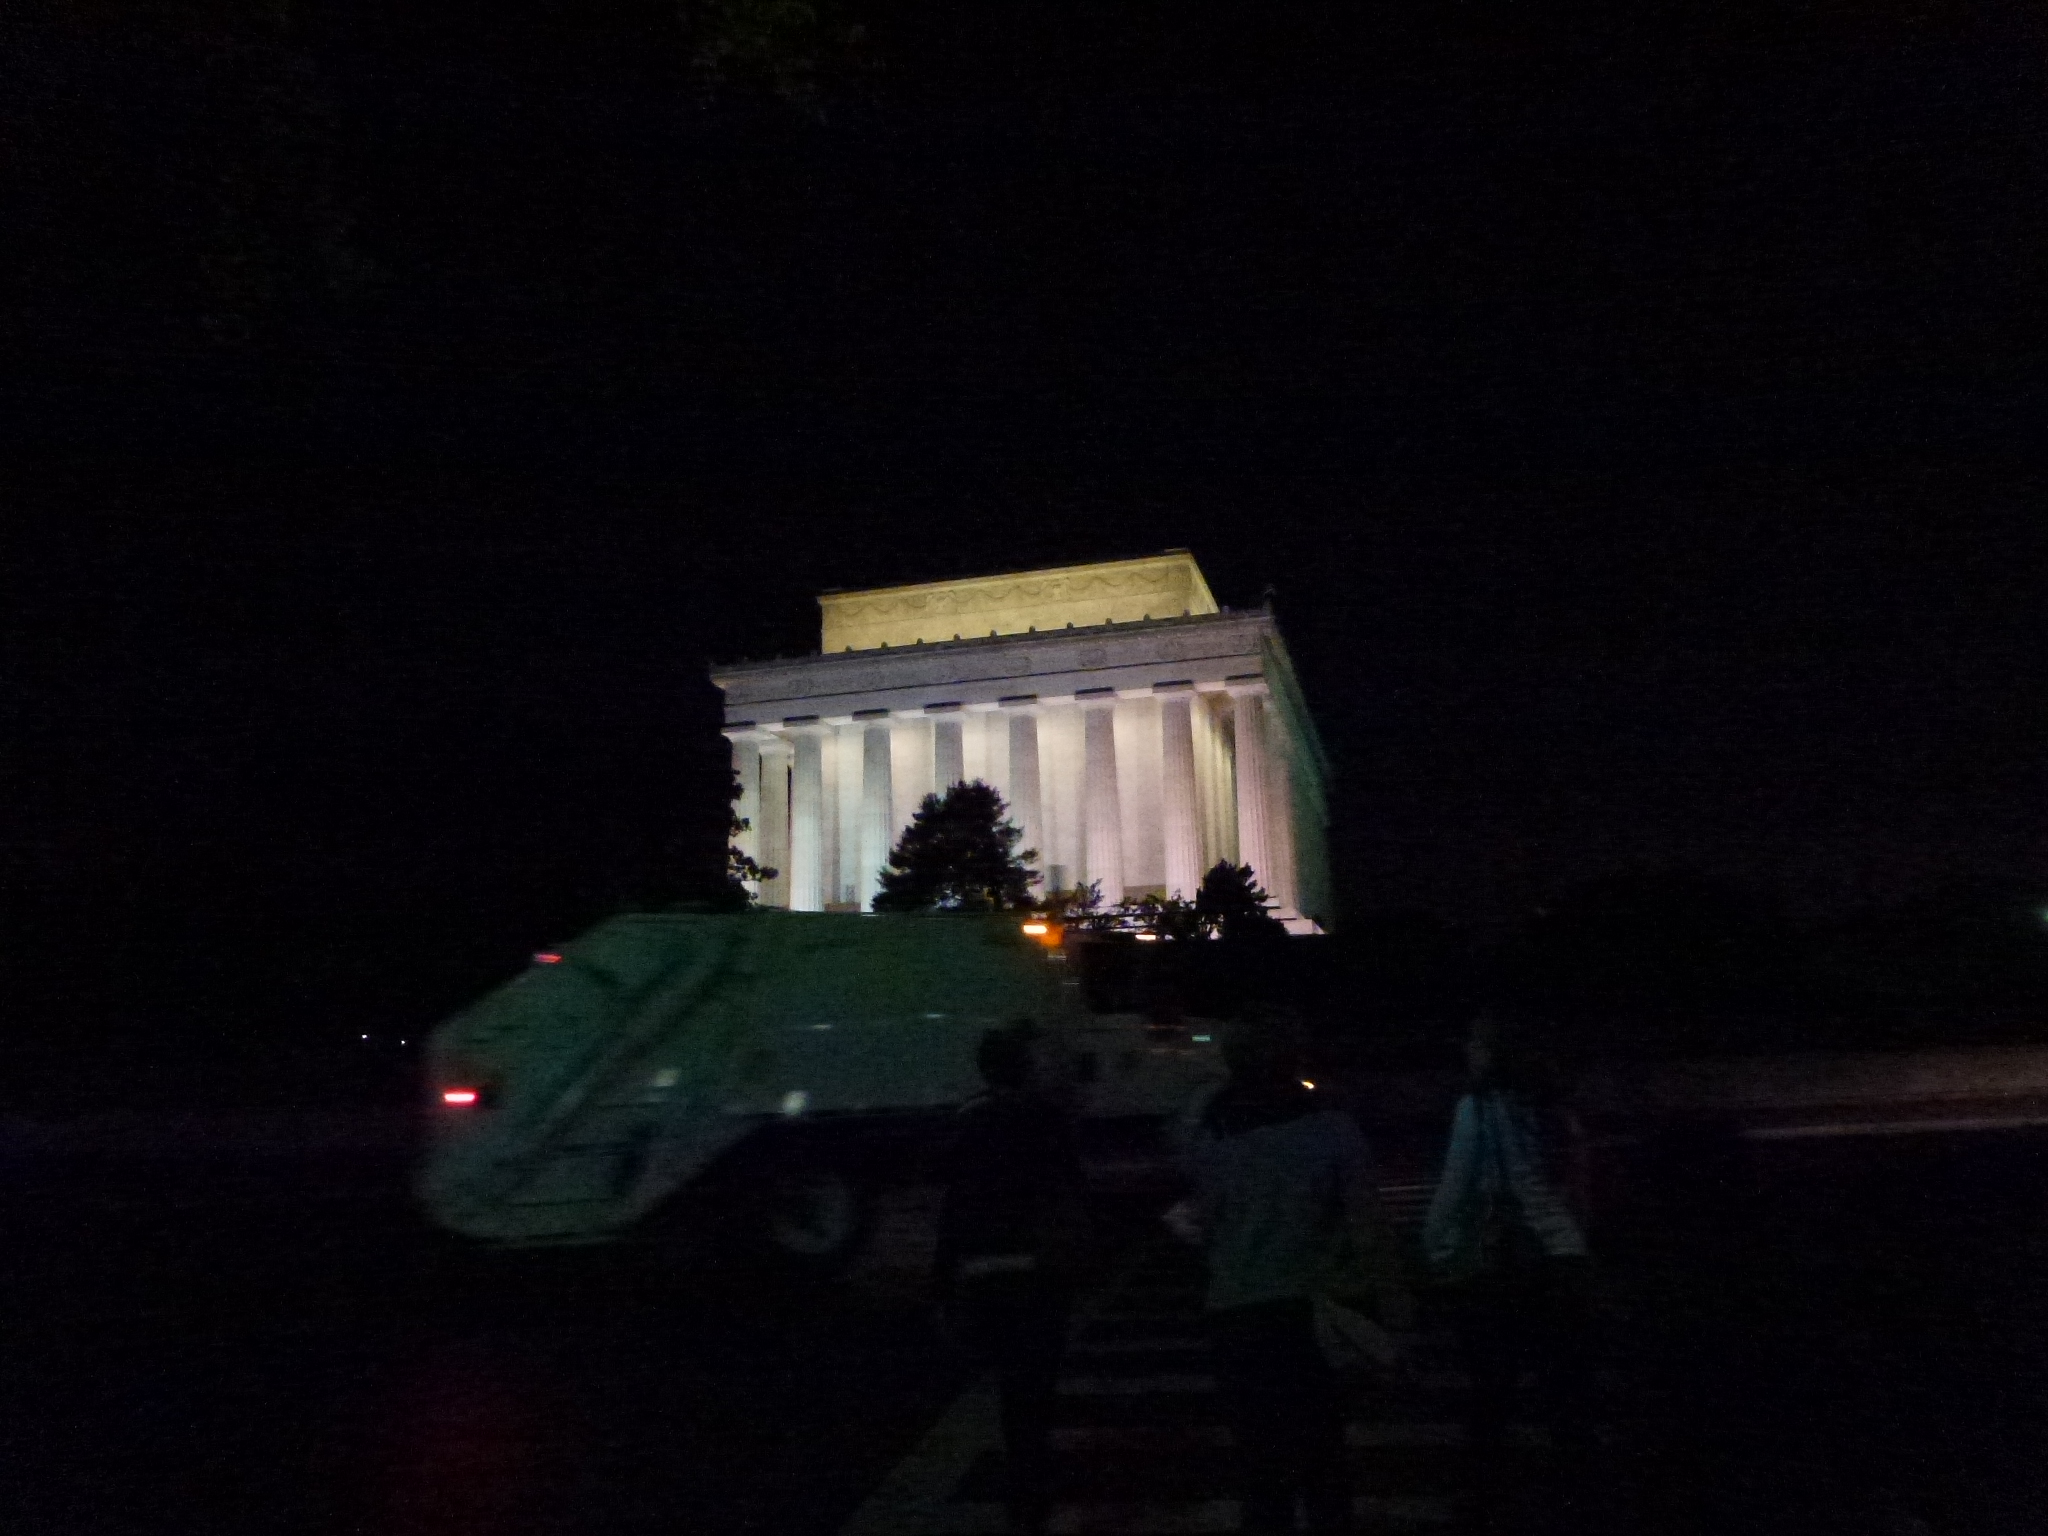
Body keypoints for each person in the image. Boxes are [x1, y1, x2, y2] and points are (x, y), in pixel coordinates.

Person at [1180, 1006, 1410, 1536]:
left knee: (1260, 1467)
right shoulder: (1331, 1132)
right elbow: (1368, 1226)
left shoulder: (1212, 1138)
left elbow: (1202, 1223)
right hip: (1308, 1311)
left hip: (1235, 1313)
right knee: (1324, 1459)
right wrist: (1394, 1302)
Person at [1422, 1012, 1596, 1533]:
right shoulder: (1557, 1109)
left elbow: (1457, 1188)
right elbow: (1578, 1192)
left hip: (1511, 1266)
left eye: (1475, 1044)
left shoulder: (1478, 1108)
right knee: (1565, 1397)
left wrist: (1433, 1249)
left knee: (1491, 1392)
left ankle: (1485, 1501)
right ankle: (1580, 1501)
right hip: (1565, 1263)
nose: (1468, 1052)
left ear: (1492, 1053)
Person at [932, 1019, 1088, 1536]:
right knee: (1035, 1392)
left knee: (1008, 1392)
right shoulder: (1045, 1118)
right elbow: (1068, 1195)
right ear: (1025, 1067)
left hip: (983, 1274)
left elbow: (953, 1210)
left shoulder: (966, 1121)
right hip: (1038, 1274)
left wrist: (943, 1287)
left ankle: (1021, 1497)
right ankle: (1032, 1496)